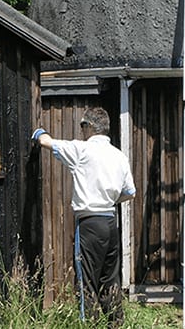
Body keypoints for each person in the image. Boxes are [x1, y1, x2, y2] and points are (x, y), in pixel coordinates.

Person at [31, 107, 135, 327]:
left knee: (85, 280)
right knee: (110, 279)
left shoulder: (82, 150)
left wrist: (39, 132)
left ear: (89, 127)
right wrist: (109, 199)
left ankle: (89, 324)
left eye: (82, 126)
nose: (81, 131)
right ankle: (115, 324)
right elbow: (130, 193)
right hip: (110, 221)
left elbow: (48, 143)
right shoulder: (119, 156)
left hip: (89, 223)